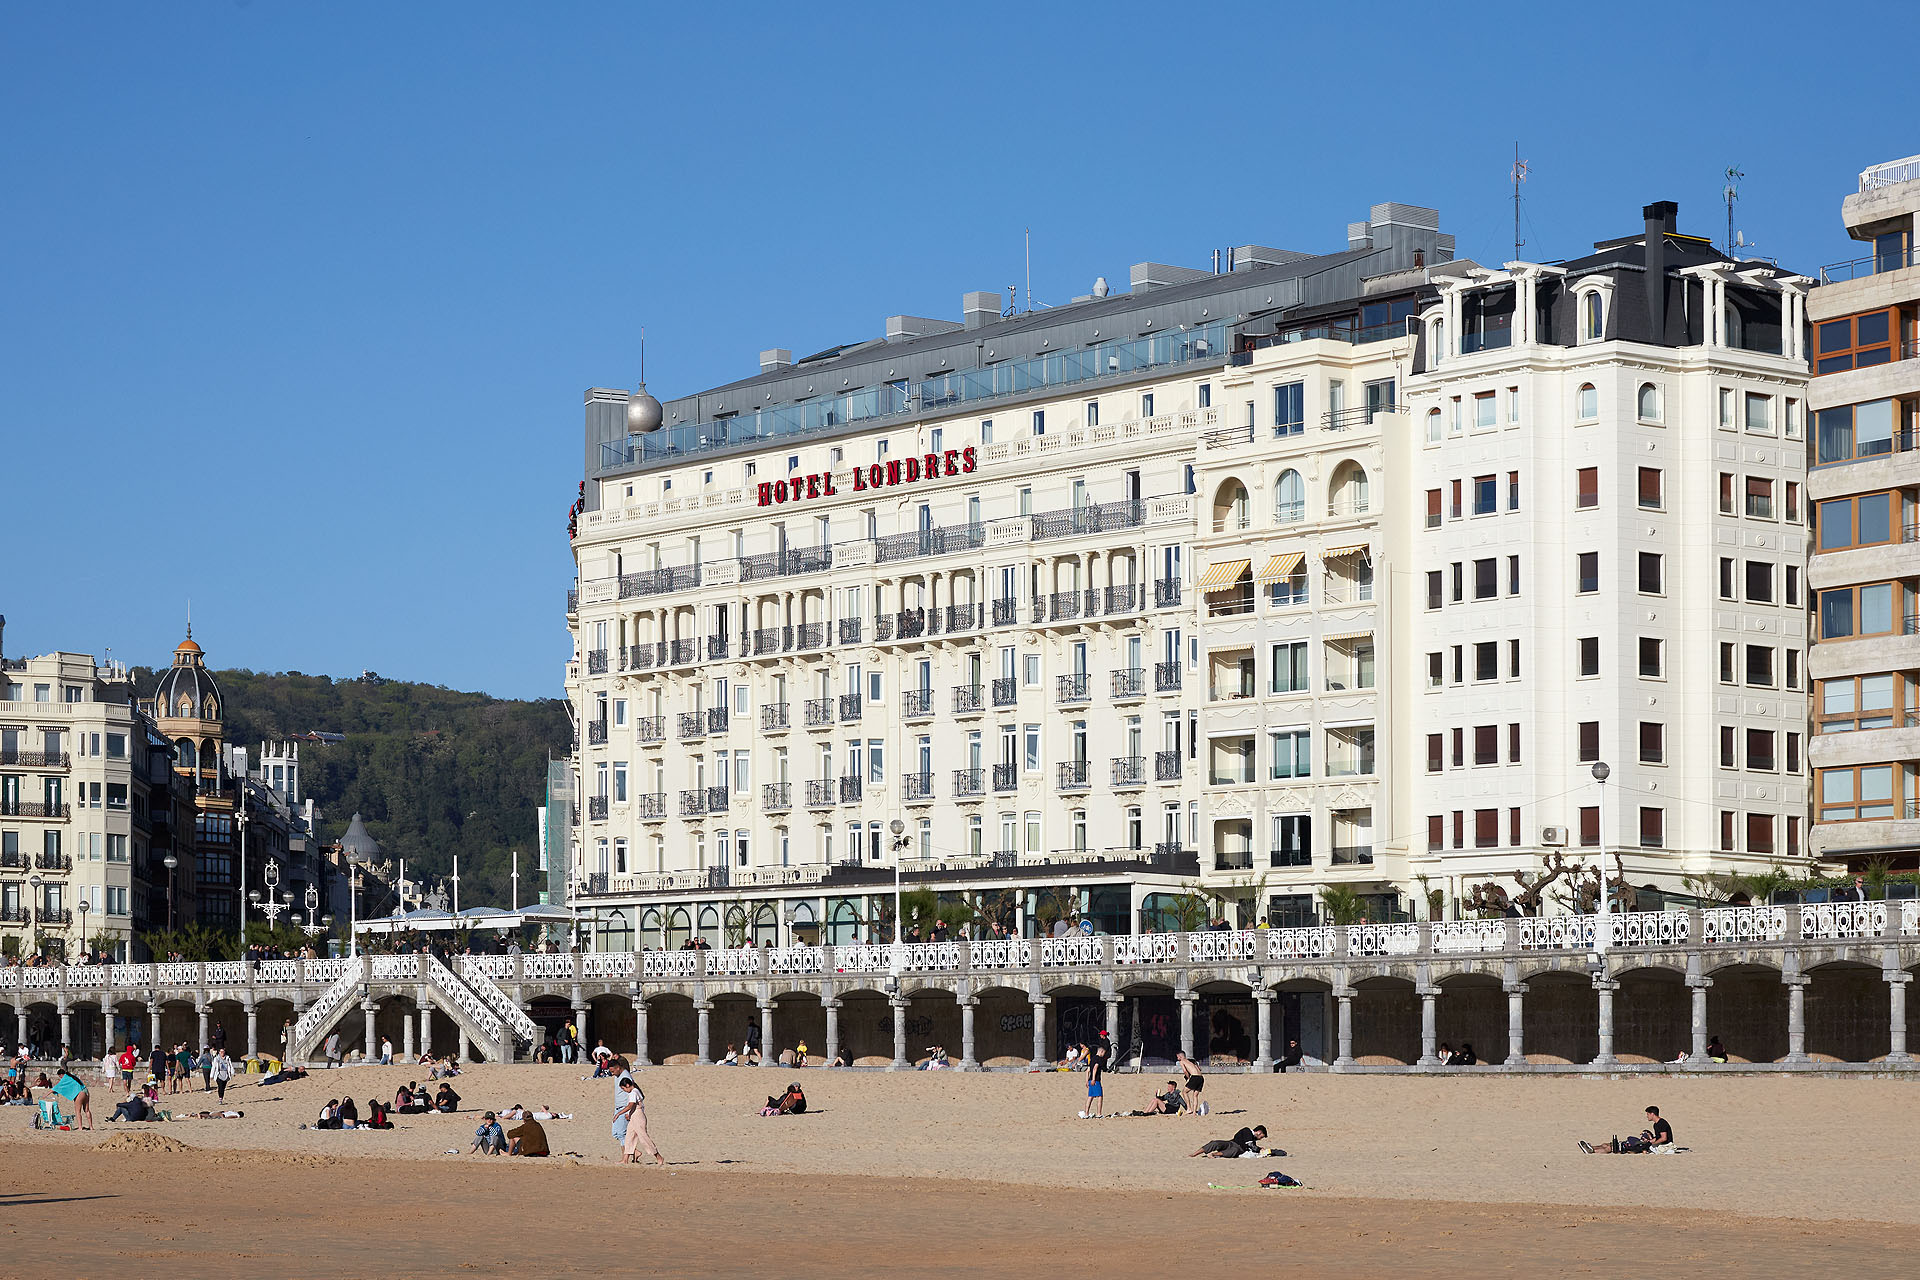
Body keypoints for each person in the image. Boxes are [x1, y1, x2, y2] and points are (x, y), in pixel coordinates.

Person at [614, 1074, 665, 1167]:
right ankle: (625, 1159)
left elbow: (631, 1105)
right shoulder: (634, 1092)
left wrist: (619, 1113)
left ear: (627, 1085)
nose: (624, 1091)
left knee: (643, 1138)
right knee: (629, 1137)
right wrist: (628, 1114)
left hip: (638, 1116)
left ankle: (659, 1157)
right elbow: (632, 1106)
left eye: (624, 1089)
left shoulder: (633, 1092)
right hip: (634, 1115)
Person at [1580, 1106, 1675, 1154]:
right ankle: (1591, 1147)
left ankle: (1593, 1151)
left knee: (1614, 1148)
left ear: (1652, 1114)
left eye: (1648, 1114)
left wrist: (1651, 1144)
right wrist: (1650, 1140)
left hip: (1662, 1146)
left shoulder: (1662, 1123)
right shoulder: (1656, 1124)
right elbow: (1658, 1137)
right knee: (1609, 1144)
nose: (1647, 1116)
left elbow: (1663, 1138)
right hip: (1654, 1144)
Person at [1189, 1125, 1272, 1158]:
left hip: (1237, 1148)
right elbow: (1250, 1145)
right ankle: (1195, 1153)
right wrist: (1259, 1149)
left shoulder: (1253, 1139)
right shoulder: (1247, 1131)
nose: (1261, 1138)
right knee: (1215, 1143)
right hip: (1232, 1143)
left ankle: (1213, 1154)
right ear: (1259, 1132)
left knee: (1233, 1151)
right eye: (1262, 1136)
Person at [1176, 1050, 1205, 1116]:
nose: (1177, 1058)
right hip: (1201, 1077)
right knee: (1195, 1095)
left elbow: (1185, 1071)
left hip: (1194, 1077)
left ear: (1180, 1056)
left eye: (1177, 1057)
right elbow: (1199, 1069)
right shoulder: (1192, 1061)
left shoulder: (1182, 1061)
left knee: (1184, 1092)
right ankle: (1194, 1112)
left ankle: (1189, 1109)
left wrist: (1189, 1078)